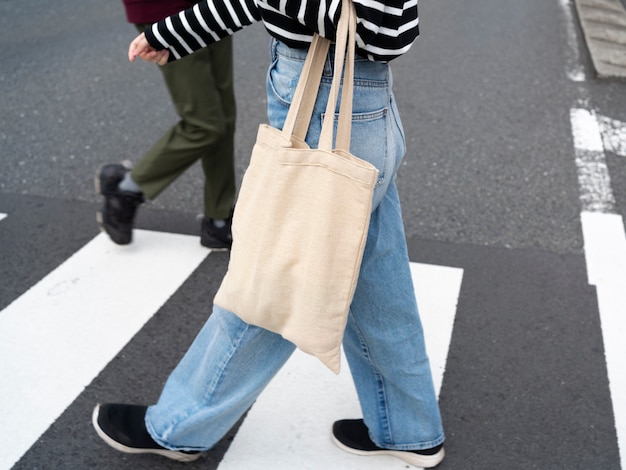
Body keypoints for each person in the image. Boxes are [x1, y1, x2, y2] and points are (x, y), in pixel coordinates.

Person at [92, 0, 446, 467]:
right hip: (337, 102)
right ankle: (409, 428)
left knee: (271, 282)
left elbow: (391, 26)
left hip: (332, 107)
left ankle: (180, 426)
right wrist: (177, 32)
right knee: (378, 282)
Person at [96, 0, 237, 250]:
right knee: (204, 124)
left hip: (216, 8)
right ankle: (126, 189)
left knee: (224, 117)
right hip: (165, 9)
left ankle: (219, 218)